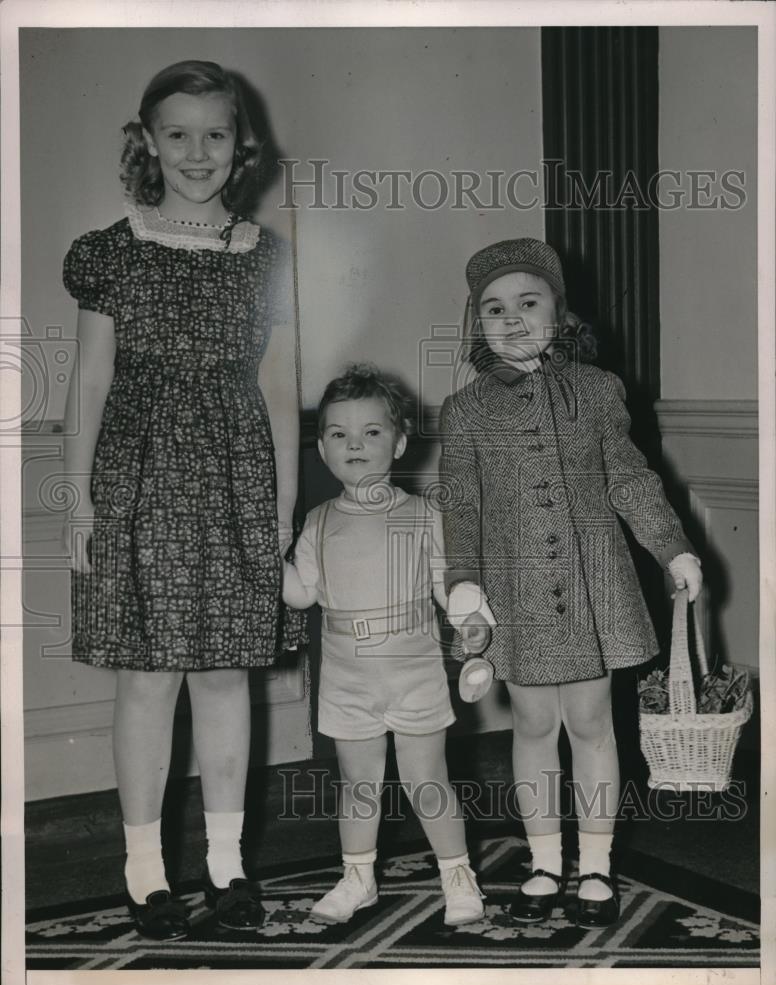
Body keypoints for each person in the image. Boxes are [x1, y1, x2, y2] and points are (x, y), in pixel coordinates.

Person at [61, 60, 304, 940]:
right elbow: (87, 386)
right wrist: (81, 505)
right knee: (148, 678)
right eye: (177, 133)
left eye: (215, 133)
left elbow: (280, 391)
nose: (196, 151)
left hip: (237, 476)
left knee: (226, 674)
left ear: (241, 147)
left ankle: (229, 864)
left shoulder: (267, 258)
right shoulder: (111, 252)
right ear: (147, 142)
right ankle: (144, 869)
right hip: (138, 478)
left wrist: (281, 512)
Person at [439, 238, 702, 929]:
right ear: (478, 323)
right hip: (517, 591)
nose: (513, 318)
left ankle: (596, 864)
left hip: (593, 584)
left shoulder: (598, 390)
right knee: (530, 723)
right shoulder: (464, 412)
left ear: (561, 311)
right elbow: (460, 507)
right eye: (495, 308)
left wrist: (672, 547)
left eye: (529, 302)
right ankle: (545, 860)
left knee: (590, 722)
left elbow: (631, 478)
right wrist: (463, 583)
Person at [282, 364, 485, 927]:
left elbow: (451, 589)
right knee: (358, 783)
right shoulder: (319, 522)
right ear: (322, 448)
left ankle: (457, 874)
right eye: (340, 434)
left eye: (372, 432)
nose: (355, 444)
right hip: (346, 674)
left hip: (411, 666)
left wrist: (471, 622)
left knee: (428, 779)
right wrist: (259, 555)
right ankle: (358, 876)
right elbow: (301, 594)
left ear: (398, 442)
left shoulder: (422, 515)